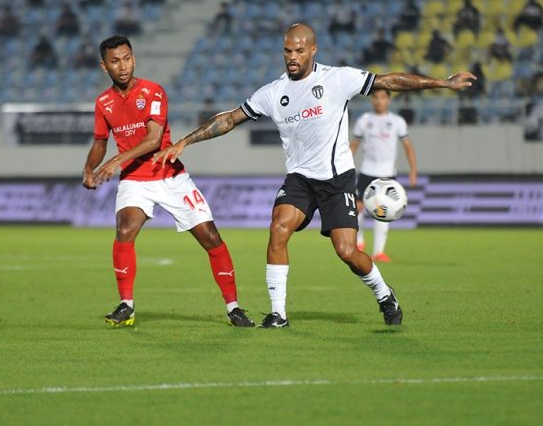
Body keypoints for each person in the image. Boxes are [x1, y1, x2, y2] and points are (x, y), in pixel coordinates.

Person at [153, 23, 475, 328]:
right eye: (287, 51)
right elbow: (230, 119)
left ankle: (384, 294)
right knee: (278, 229)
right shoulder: (272, 92)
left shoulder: (338, 79)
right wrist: (185, 141)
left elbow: (389, 81)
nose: (292, 57)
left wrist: (442, 83)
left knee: (347, 252)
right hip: (300, 179)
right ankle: (278, 314)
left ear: (313, 50)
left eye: (299, 51)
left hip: (337, 179)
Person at [82, 35, 255, 328]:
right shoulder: (103, 103)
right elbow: (100, 141)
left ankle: (234, 307)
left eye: (126, 58)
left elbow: (152, 140)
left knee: (211, 238)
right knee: (125, 229)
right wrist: (89, 168)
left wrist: (114, 162)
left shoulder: (153, 92)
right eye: (115, 61)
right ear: (104, 66)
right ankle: (126, 305)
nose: (122, 66)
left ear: (134, 59)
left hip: (171, 176)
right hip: (135, 179)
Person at [349, 90, 416, 263]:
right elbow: (353, 146)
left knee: (383, 211)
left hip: (387, 175)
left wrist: (413, 171)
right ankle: (359, 242)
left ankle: (378, 252)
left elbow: (408, 147)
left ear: (388, 99)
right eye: (376, 97)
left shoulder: (397, 121)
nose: (379, 101)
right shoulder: (364, 121)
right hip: (367, 171)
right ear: (372, 100)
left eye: (383, 97)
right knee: (358, 208)